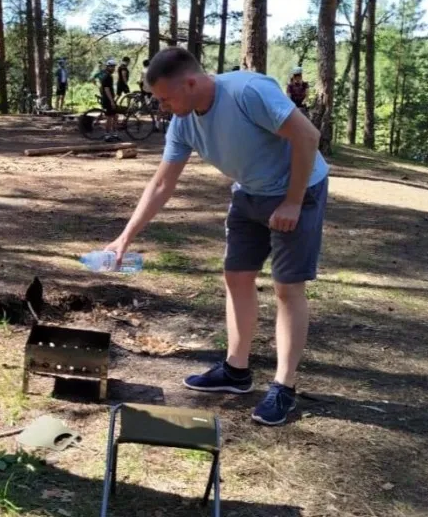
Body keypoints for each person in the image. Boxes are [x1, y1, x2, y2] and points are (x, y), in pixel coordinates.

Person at [105, 47, 329, 426]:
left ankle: (284, 386)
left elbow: (308, 136)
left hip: (298, 189)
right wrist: (125, 237)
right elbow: (161, 184)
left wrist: (292, 202)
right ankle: (236, 370)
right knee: (236, 276)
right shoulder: (183, 123)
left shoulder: (247, 92)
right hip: (249, 192)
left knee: (287, 287)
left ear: (191, 83)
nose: (161, 107)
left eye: (166, 98)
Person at [100, 59, 121, 139]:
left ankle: (115, 133)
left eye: (114, 67)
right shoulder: (107, 77)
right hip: (108, 100)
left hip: (109, 98)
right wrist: (111, 101)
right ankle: (107, 135)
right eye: (111, 66)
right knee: (109, 117)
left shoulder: (108, 76)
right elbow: (106, 89)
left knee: (115, 116)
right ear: (107, 67)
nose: (113, 68)